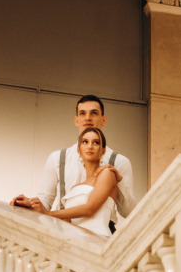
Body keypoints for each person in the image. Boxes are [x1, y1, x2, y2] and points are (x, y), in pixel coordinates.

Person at [10, 94, 136, 229]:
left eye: (94, 113)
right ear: (76, 120)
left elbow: (128, 212)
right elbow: (45, 201)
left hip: (101, 231)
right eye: (82, 113)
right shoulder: (57, 158)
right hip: (63, 227)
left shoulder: (119, 162)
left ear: (104, 120)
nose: (87, 118)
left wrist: (119, 180)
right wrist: (29, 204)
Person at [35, 126, 120, 236]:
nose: (90, 146)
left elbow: (90, 209)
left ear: (103, 151)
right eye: (85, 142)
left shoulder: (107, 173)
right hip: (76, 241)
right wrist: (30, 204)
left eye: (96, 143)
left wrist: (48, 213)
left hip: (98, 239)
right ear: (78, 150)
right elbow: (68, 222)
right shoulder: (75, 188)